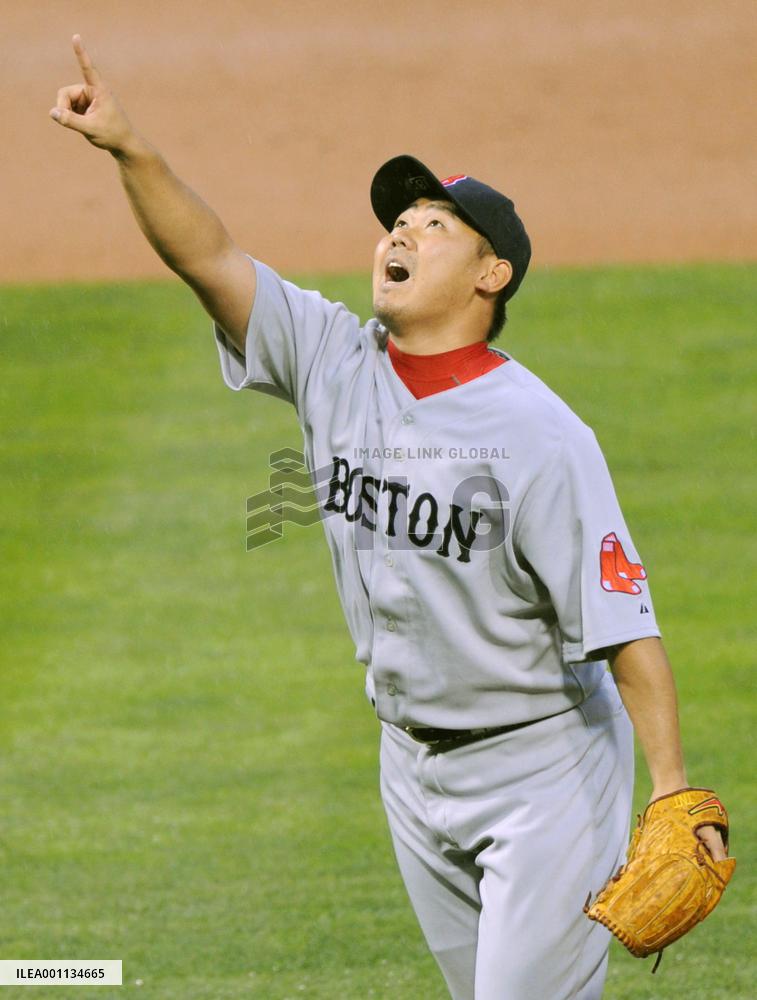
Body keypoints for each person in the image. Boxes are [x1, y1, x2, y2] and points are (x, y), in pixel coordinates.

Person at [51, 35, 728, 1000]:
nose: (400, 234)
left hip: (543, 773)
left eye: (434, 226)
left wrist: (668, 788)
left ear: (492, 276)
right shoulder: (335, 358)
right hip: (410, 768)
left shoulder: (541, 435)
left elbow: (624, 622)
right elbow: (207, 257)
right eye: (398, 220)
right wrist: (130, 149)